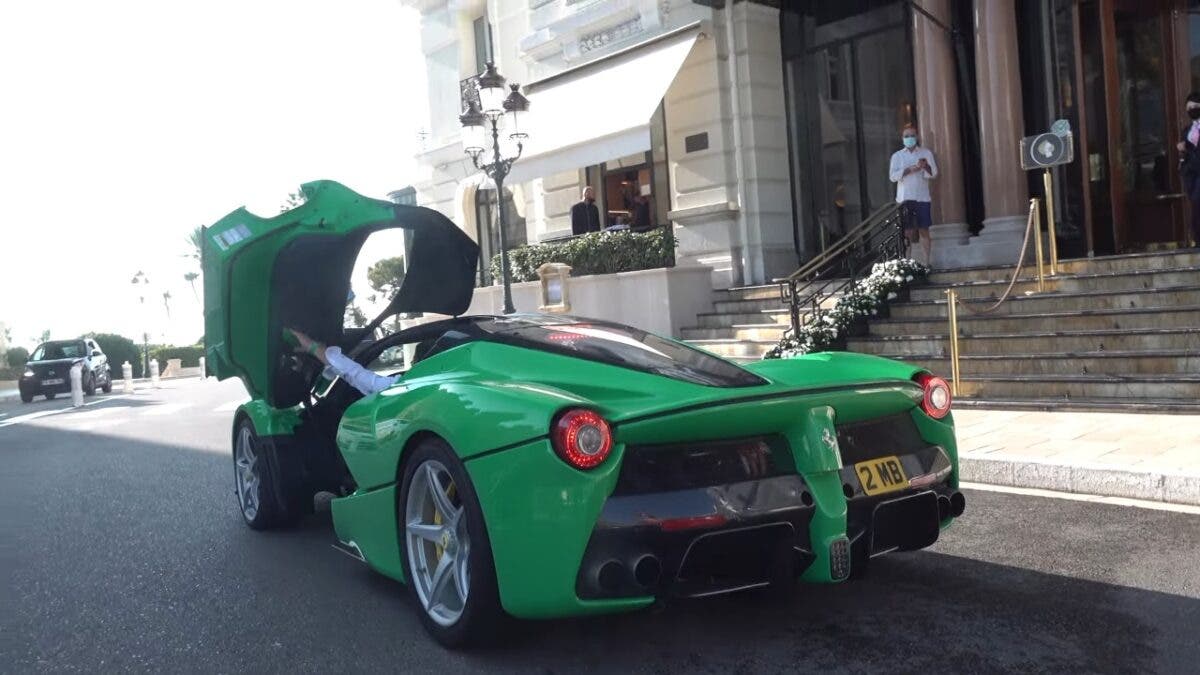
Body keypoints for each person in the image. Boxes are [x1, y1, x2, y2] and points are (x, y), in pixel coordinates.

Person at [287, 328, 397, 396]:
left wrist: (314, 347)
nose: (411, 360)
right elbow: (364, 383)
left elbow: (374, 386)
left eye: (414, 357)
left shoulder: (407, 388)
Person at [889, 124, 938, 264]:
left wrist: (925, 166)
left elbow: (934, 173)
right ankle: (907, 262)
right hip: (905, 198)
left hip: (922, 197)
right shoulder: (897, 156)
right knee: (907, 232)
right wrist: (910, 169)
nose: (909, 138)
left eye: (912, 135)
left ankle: (927, 262)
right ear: (902, 138)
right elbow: (892, 177)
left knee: (924, 229)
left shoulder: (926, 153)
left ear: (916, 137)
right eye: (906, 136)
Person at [1177, 92, 1200, 249]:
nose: (1191, 110)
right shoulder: (1187, 129)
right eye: (1189, 108)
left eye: (1195, 107)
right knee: (1195, 204)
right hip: (1192, 174)